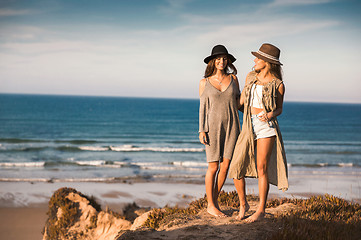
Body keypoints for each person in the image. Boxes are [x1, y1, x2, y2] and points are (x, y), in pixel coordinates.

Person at [229, 43, 288, 222]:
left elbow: (279, 109)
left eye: (258, 58)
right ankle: (243, 204)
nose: (254, 60)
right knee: (236, 167)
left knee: (262, 168)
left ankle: (261, 209)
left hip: (266, 128)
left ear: (267, 62)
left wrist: (271, 114)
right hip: (248, 124)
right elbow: (240, 102)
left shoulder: (278, 84)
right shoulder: (250, 77)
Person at [199, 45, 241, 217]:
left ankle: (213, 202)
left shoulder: (234, 79)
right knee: (213, 167)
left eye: (224, 59)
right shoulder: (204, 82)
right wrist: (202, 130)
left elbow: (239, 103)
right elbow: (202, 108)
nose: (221, 61)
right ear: (212, 61)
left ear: (228, 61)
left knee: (225, 166)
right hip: (212, 128)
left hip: (233, 126)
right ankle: (211, 204)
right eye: (218, 59)